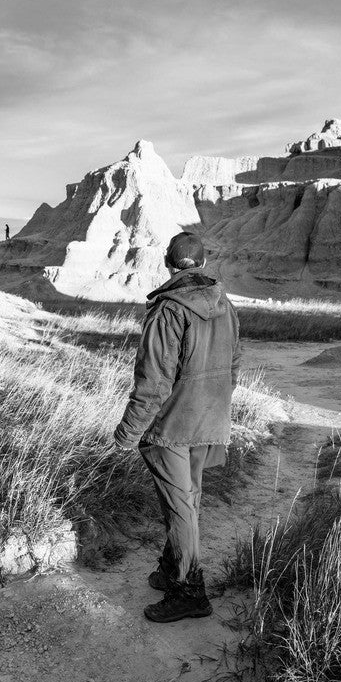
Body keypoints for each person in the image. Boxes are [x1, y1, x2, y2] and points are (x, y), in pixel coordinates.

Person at [113, 232, 241, 623]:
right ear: (203, 264)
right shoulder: (226, 305)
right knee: (190, 498)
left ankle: (189, 591)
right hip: (209, 420)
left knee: (179, 505)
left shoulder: (168, 310)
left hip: (171, 426)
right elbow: (235, 367)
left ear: (168, 263)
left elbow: (153, 384)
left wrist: (128, 432)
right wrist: (212, 406)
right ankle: (172, 569)